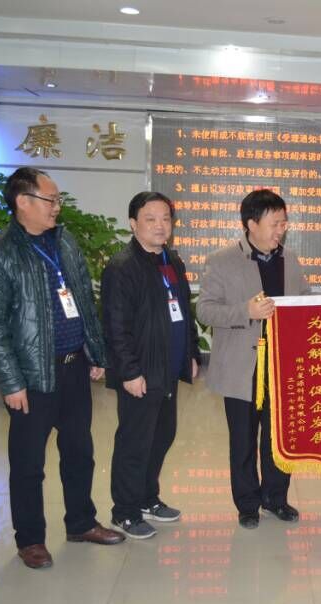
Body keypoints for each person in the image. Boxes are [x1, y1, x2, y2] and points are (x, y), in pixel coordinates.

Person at [0, 167, 124, 569]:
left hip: (74, 368)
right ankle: (31, 540)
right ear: (23, 201)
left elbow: (82, 299)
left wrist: (94, 352)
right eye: (50, 199)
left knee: (79, 453)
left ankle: (81, 522)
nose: (57, 207)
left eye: (58, 200)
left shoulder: (64, 241)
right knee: (28, 464)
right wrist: (11, 382)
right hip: (32, 376)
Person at [197, 189, 311, 529]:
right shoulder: (221, 260)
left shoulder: (290, 260)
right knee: (243, 440)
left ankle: (276, 499)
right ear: (251, 224)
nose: (281, 230)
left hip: (282, 366)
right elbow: (205, 310)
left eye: (284, 223)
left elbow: (304, 302)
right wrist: (245, 311)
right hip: (241, 367)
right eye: (275, 223)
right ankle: (247, 504)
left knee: (279, 439)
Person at [101, 192, 201, 539]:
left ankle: (146, 498)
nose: (160, 226)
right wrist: (129, 371)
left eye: (166, 219)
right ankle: (124, 512)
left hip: (167, 369)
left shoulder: (172, 260)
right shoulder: (122, 266)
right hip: (140, 373)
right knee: (135, 443)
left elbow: (184, 310)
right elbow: (115, 326)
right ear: (133, 224)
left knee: (161, 436)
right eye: (150, 219)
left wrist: (191, 353)